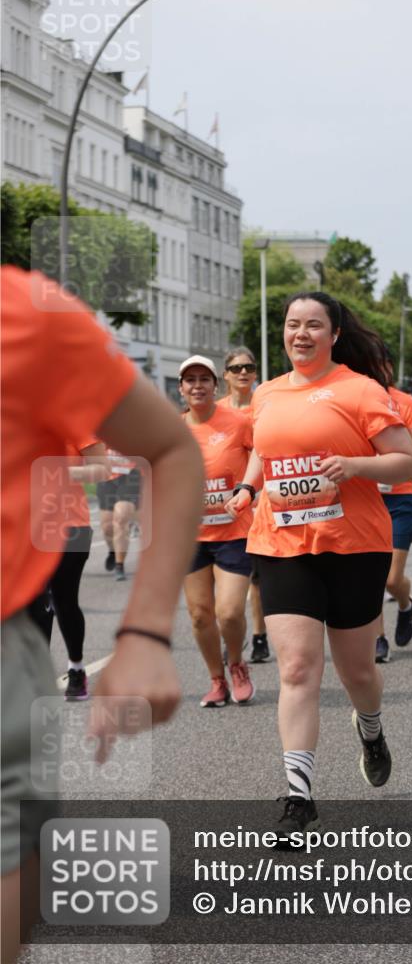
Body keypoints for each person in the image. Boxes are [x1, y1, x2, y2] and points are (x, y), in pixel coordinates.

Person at [1, 266, 203, 964]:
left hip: (49, 545)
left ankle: (75, 665)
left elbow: (159, 452)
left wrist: (144, 634)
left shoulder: (29, 317)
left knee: (62, 605)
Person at [225, 291, 412, 839]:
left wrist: (355, 464)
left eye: (313, 325)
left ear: (334, 335)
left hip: (354, 546)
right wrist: (248, 486)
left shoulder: (360, 390)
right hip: (282, 544)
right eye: (293, 324)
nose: (301, 334)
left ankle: (371, 730)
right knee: (297, 669)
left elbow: (406, 460)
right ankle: (298, 798)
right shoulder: (265, 393)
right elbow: (263, 449)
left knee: (358, 673)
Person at [180, 354, 255, 707]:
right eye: (190, 380)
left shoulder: (239, 423)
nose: (197, 386)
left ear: (215, 385)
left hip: (234, 532)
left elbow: (263, 458)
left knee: (229, 612)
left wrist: (250, 491)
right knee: (199, 615)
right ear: (181, 388)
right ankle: (216, 680)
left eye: (203, 379)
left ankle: (236, 663)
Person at [42, 440, 110, 700]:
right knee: (35, 602)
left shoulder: (76, 424)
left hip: (71, 527)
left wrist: (58, 472)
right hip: (24, 527)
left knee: (63, 601)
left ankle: (76, 668)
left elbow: (102, 469)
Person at [375, 361, 412, 662]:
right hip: (366, 499)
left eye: (379, 364)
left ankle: (405, 604)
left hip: (400, 500)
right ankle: (378, 639)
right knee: (371, 576)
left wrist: (396, 464)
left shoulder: (403, 402)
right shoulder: (351, 399)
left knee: (391, 578)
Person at [218, 346, 270, 663]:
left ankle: (260, 635)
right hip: (226, 507)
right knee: (229, 578)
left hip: (260, 499)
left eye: (248, 368)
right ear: (225, 374)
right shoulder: (217, 411)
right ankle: (233, 635)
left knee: (257, 578)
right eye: (236, 368)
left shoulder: (264, 406)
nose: (243, 373)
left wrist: (261, 490)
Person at [96, 444, 142, 580]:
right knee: (107, 527)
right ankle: (112, 550)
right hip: (106, 477)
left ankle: (119, 565)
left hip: (132, 474)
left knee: (121, 517)